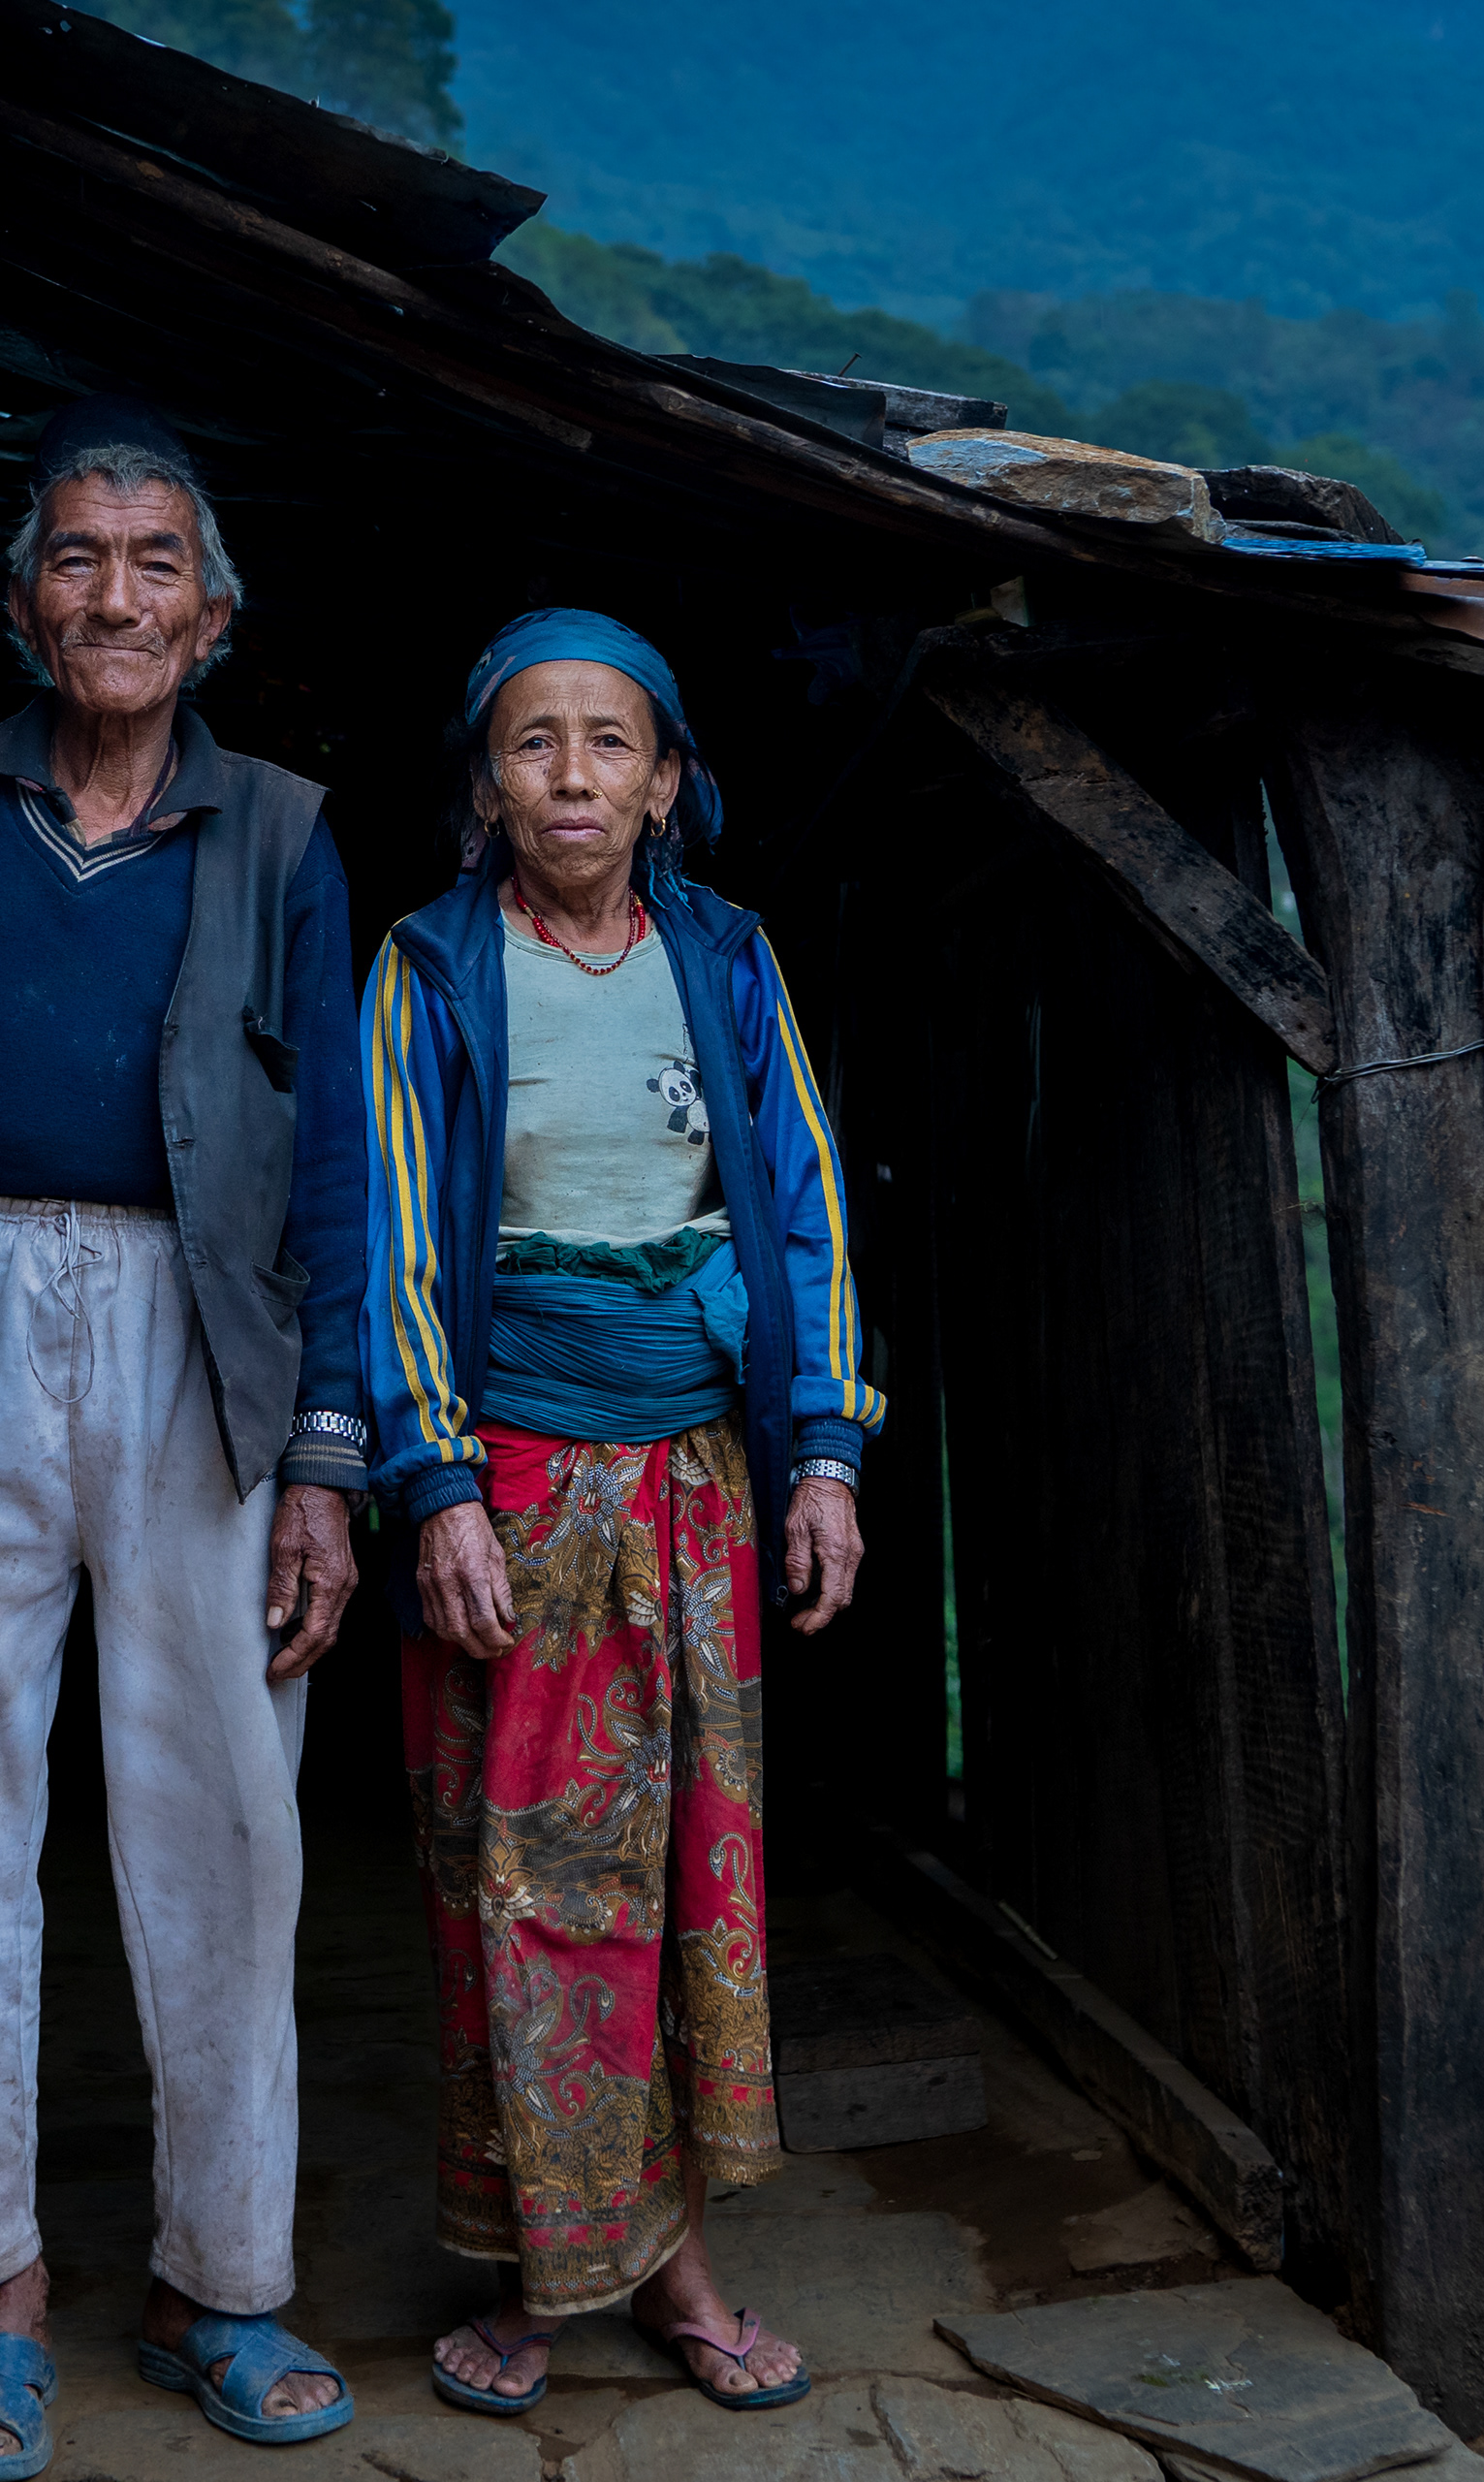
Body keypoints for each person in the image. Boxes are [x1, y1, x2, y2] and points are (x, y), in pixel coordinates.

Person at [0, 396, 368, 2480]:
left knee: (222, 1823)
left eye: (154, 564)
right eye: (77, 558)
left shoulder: (285, 832)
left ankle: (222, 2277)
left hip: (201, 1334)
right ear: (26, 600)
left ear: (212, 617)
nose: (114, 594)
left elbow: (332, 1175)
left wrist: (327, 1446)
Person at [358, 611, 881, 2420]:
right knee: (515, 1893)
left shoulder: (728, 960)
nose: (570, 776)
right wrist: (432, 1484)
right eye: (531, 745)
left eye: (608, 745)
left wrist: (822, 1453)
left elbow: (800, 1200)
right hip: (509, 1489)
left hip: (699, 1491)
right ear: (487, 784)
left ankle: (663, 2273)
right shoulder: (427, 970)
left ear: (665, 782)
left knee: (678, 1896)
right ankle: (539, 2271)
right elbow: (399, 1243)